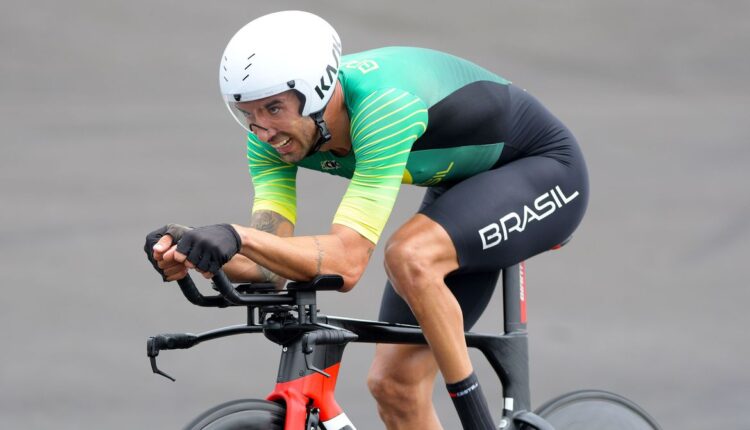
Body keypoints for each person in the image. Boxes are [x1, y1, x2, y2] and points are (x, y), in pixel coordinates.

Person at [144, 10, 589, 430]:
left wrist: (237, 236)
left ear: (318, 91)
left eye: (274, 109)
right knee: (395, 387)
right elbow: (266, 265)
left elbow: (347, 262)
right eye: (249, 114)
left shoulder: (381, 107)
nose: (263, 131)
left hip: (543, 170)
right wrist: (198, 250)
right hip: (463, 186)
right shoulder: (268, 138)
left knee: (410, 255)